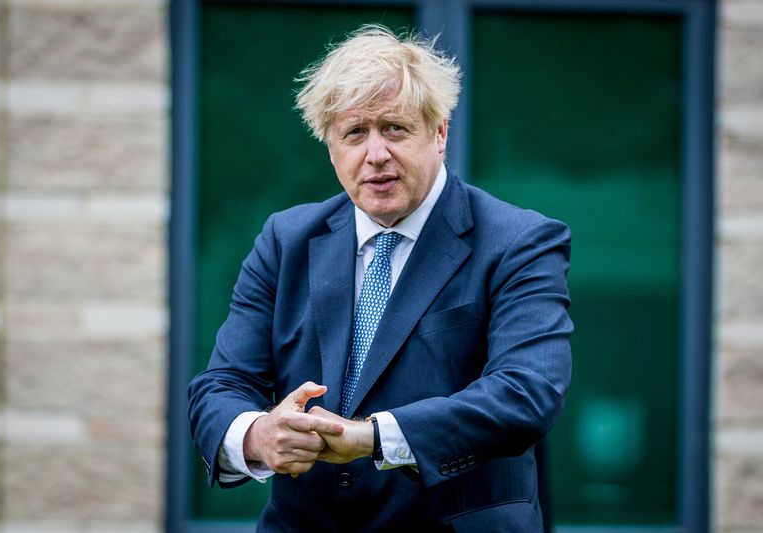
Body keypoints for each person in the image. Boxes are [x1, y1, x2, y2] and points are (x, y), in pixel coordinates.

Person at [188, 24, 572, 532]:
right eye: (354, 133)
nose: (375, 154)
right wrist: (259, 436)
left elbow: (526, 392)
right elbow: (221, 385)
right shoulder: (285, 240)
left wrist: (372, 437)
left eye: (394, 128)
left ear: (439, 133)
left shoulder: (519, 241)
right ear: (330, 148)